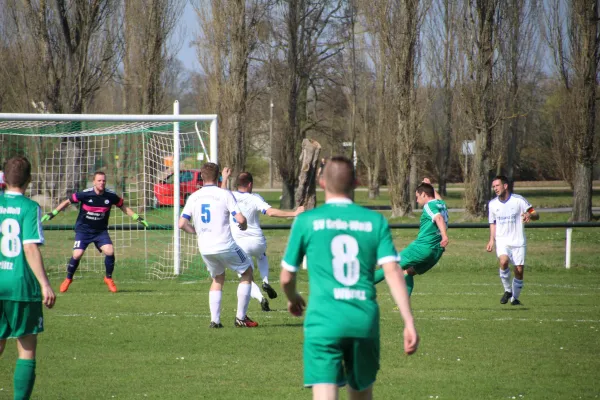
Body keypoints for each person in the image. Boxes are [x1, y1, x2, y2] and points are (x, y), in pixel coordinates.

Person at [280, 156, 419, 400]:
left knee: (324, 394)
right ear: (355, 182)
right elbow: (393, 272)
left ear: (322, 183)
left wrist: (292, 298)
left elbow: (286, 277)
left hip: (323, 320)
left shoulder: (306, 221)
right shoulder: (375, 221)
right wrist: (408, 321)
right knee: (361, 394)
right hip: (362, 319)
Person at [0, 156, 56, 400]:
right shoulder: (30, 208)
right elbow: (30, 247)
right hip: (20, 284)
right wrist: (45, 284)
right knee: (26, 348)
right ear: (30, 180)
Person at [41, 171, 149, 293]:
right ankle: (68, 279)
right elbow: (67, 201)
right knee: (77, 254)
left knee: (110, 251)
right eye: (99, 180)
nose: (101, 183)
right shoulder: (85, 194)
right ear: (94, 182)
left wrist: (137, 217)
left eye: (103, 180)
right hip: (84, 230)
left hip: (100, 231)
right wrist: (53, 213)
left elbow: (122, 206)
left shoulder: (110, 196)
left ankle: (108, 278)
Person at [178, 163, 258, 328]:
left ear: (201, 176)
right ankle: (241, 318)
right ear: (218, 177)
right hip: (225, 245)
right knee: (247, 271)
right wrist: (243, 226)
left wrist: (194, 231)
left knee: (217, 278)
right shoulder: (225, 194)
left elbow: (181, 224)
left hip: (205, 248)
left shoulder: (193, 196)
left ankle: (215, 321)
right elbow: (241, 219)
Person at [222, 169, 304, 311]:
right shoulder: (255, 197)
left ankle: (261, 298)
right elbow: (270, 212)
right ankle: (265, 281)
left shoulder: (230, 196)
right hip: (257, 241)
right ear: (249, 184)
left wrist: (224, 178)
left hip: (239, 244)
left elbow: (222, 192)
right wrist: (294, 213)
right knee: (261, 256)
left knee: (246, 276)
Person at [373, 178, 449, 296]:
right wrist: (429, 186)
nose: (417, 200)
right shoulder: (441, 204)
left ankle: (355, 286)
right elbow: (436, 198)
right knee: (408, 272)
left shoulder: (429, 206)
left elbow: (438, 218)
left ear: (424, 194)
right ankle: (403, 306)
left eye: (417, 196)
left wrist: (445, 236)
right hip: (436, 251)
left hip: (422, 247)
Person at [486, 175, 539, 306]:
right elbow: (493, 223)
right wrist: (491, 240)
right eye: (493, 186)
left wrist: (529, 215)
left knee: (519, 271)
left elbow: (535, 213)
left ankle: (514, 298)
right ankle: (507, 291)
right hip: (502, 240)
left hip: (518, 241)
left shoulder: (519, 200)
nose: (495, 189)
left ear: (505, 186)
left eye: (497, 186)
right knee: (503, 261)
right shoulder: (492, 204)